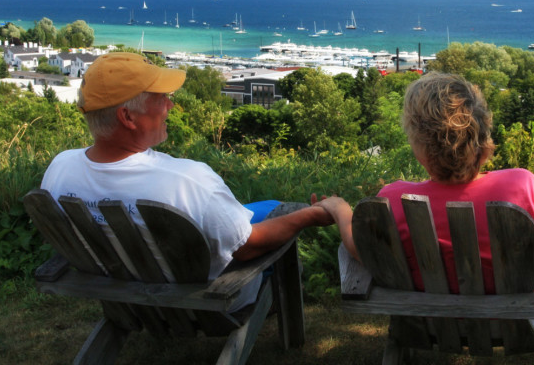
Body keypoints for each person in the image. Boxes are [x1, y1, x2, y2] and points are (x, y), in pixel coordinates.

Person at [41, 51, 346, 309]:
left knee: (269, 207)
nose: (170, 106)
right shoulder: (186, 181)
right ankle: (286, 317)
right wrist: (310, 216)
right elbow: (247, 249)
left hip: (122, 292)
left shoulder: (60, 169)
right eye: (161, 99)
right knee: (283, 217)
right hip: (202, 298)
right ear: (128, 118)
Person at [324, 72, 534, 296]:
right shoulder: (521, 187)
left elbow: (363, 251)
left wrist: (338, 208)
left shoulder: (392, 200)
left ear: (419, 148)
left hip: (425, 326)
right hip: (515, 324)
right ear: (483, 138)